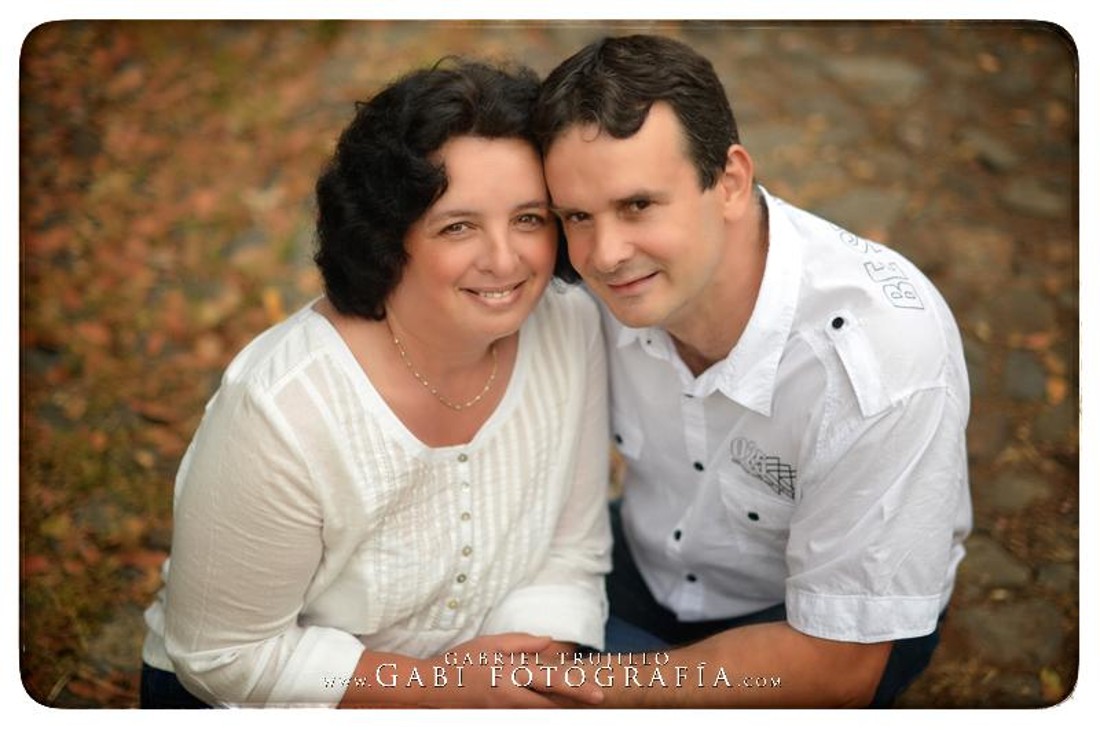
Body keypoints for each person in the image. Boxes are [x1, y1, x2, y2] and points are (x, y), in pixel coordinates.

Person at [140, 58, 612, 709]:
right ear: (389, 236)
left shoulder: (572, 328)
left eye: (529, 218)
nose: (507, 260)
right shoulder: (283, 409)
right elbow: (223, 658)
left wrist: (526, 672)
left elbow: (570, 550)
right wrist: (441, 690)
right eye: (458, 225)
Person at [533, 34, 972, 708]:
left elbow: (838, 667)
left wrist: (602, 687)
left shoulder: (880, 361)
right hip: (651, 562)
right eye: (578, 217)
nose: (605, 254)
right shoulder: (589, 288)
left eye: (639, 206)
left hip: (803, 626)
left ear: (731, 181)